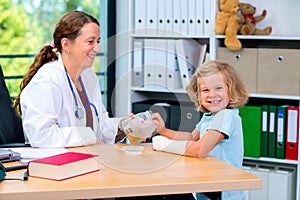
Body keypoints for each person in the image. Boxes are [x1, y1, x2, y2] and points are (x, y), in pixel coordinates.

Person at [14, 11, 128, 148]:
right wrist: (88, 137)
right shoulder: (47, 79)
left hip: (88, 159)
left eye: (98, 41)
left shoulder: (88, 76)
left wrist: (123, 125)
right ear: (66, 44)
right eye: (90, 42)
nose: (97, 48)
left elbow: (100, 125)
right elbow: (41, 136)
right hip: (55, 165)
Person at [151, 60, 249, 200]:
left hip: (224, 194)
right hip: (208, 190)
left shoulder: (225, 116)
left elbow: (200, 149)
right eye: (205, 90)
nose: (212, 94)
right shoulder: (210, 116)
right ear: (198, 95)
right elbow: (192, 138)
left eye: (218, 88)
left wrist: (166, 145)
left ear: (231, 89)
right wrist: (164, 131)